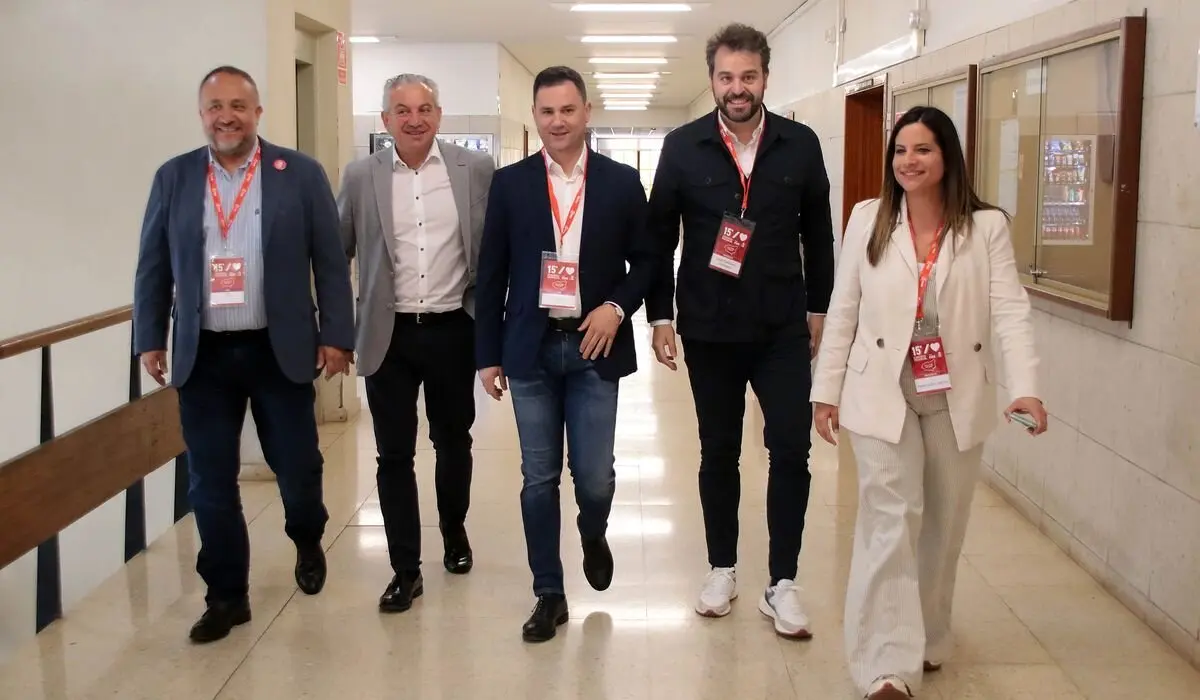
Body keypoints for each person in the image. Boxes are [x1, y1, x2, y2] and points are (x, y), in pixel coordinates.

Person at [810, 105, 1047, 699]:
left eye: (922, 150)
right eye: (900, 150)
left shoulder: (984, 228)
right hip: (880, 389)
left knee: (943, 523)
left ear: (947, 157)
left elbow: (1010, 311)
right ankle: (886, 665)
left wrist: (1025, 386)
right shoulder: (868, 218)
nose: (908, 162)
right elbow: (843, 309)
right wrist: (826, 391)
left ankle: (928, 635)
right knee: (890, 520)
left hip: (952, 393)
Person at [132, 66, 355, 644]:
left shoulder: (298, 173)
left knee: (298, 467)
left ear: (257, 112)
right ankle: (227, 595)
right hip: (203, 354)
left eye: (237, 105)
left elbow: (330, 261)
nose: (225, 117)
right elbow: (153, 264)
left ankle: (307, 537)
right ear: (201, 114)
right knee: (209, 480)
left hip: (278, 348)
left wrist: (337, 334)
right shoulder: (175, 177)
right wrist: (149, 336)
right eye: (215, 107)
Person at [644, 23, 835, 638]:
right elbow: (659, 238)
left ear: (765, 79)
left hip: (782, 328)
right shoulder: (683, 147)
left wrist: (820, 307)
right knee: (719, 451)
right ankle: (721, 568)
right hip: (709, 328)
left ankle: (783, 583)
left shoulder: (800, 145)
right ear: (712, 81)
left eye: (748, 76)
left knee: (791, 449)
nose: (737, 87)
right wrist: (661, 316)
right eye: (726, 77)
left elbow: (819, 234)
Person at [475, 65, 657, 643]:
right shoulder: (510, 184)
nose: (558, 121)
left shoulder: (621, 182)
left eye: (568, 110)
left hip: (593, 346)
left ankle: (593, 529)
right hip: (530, 348)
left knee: (595, 477)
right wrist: (487, 354)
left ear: (586, 113)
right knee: (538, 477)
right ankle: (548, 593)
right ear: (535, 116)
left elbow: (648, 261)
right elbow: (492, 271)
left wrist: (617, 307)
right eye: (547, 111)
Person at [337, 74, 495, 614]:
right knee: (393, 454)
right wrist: (335, 329)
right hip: (389, 335)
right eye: (402, 110)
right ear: (385, 120)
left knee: (454, 442)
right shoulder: (361, 176)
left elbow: (495, 251)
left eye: (424, 108)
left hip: (454, 328)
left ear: (439, 115)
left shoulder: (475, 170)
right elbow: (337, 253)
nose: (414, 119)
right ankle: (405, 568)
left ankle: (453, 531)